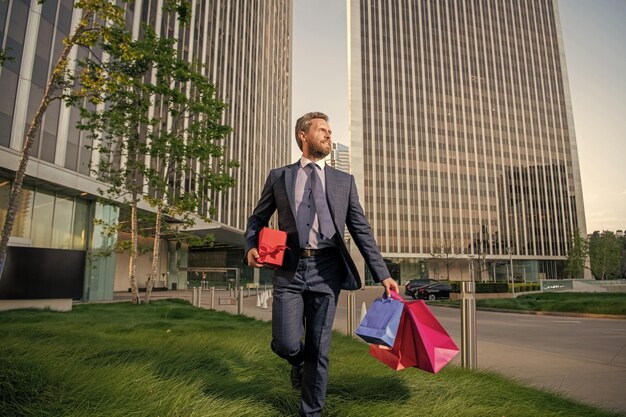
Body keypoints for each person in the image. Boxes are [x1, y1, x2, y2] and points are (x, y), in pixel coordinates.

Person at [244, 112, 398, 417]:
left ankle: (311, 412)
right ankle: (296, 362)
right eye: (322, 130)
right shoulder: (280, 177)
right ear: (304, 135)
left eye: (330, 130)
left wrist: (383, 274)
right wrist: (250, 246)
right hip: (289, 268)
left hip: (327, 270)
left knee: (319, 346)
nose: (329, 135)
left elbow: (361, 229)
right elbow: (257, 218)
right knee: (285, 343)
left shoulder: (344, 181)